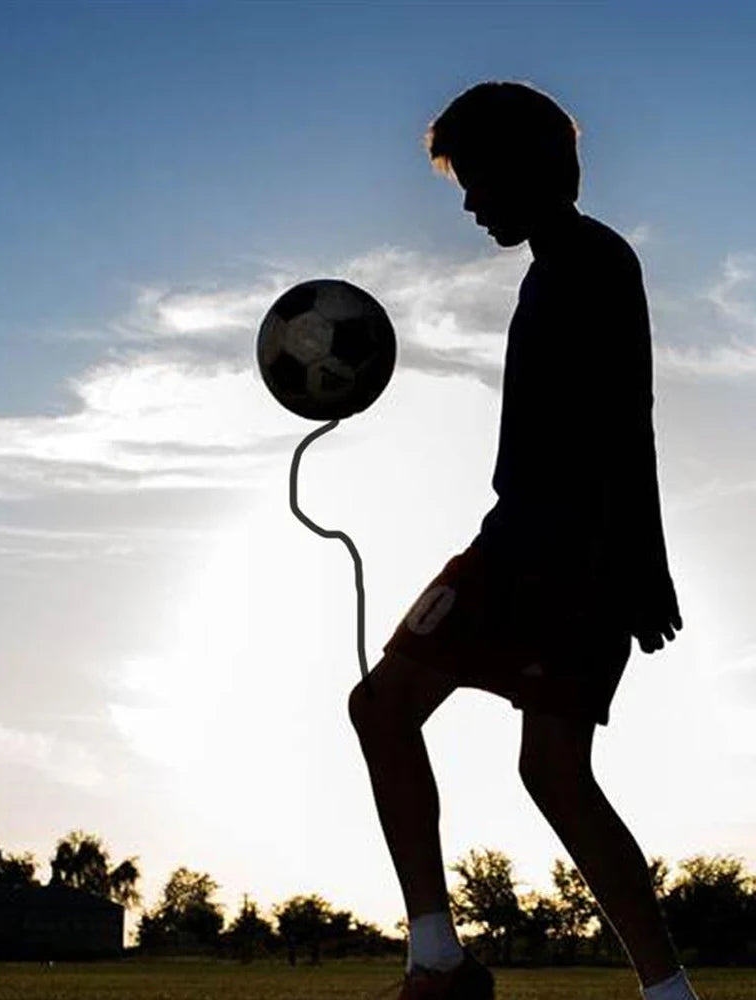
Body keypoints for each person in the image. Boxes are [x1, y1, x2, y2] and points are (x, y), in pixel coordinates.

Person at [347, 81, 694, 1000]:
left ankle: (654, 990)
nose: (468, 203)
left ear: (528, 168)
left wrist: (643, 565)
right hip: (517, 541)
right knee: (402, 717)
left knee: (544, 767)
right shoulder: (555, 266)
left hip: (561, 554)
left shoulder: (593, 260)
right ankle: (441, 960)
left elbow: (631, 418)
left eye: (477, 180)